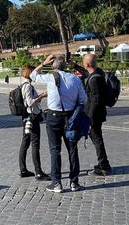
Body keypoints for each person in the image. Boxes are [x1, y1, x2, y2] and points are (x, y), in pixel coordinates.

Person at [31, 55, 87, 193]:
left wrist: (43, 63)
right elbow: (83, 100)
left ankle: (57, 183)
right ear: (65, 67)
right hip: (70, 117)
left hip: (54, 117)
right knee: (72, 150)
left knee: (55, 150)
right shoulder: (74, 78)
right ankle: (74, 182)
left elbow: (33, 75)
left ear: (53, 67)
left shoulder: (51, 77)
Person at [18, 65, 50, 181]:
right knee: (35, 144)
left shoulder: (23, 85)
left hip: (26, 118)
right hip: (32, 118)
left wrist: (39, 96)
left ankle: (23, 169)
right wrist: (42, 95)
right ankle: (38, 172)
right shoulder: (28, 86)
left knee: (25, 142)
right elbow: (30, 102)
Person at [82, 54, 112, 176]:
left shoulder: (94, 79)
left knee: (97, 139)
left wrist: (89, 118)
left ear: (87, 64)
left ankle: (103, 166)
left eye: (83, 62)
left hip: (94, 115)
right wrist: (75, 66)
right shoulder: (98, 73)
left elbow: (96, 100)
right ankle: (104, 163)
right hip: (97, 114)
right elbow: (86, 73)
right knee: (97, 138)